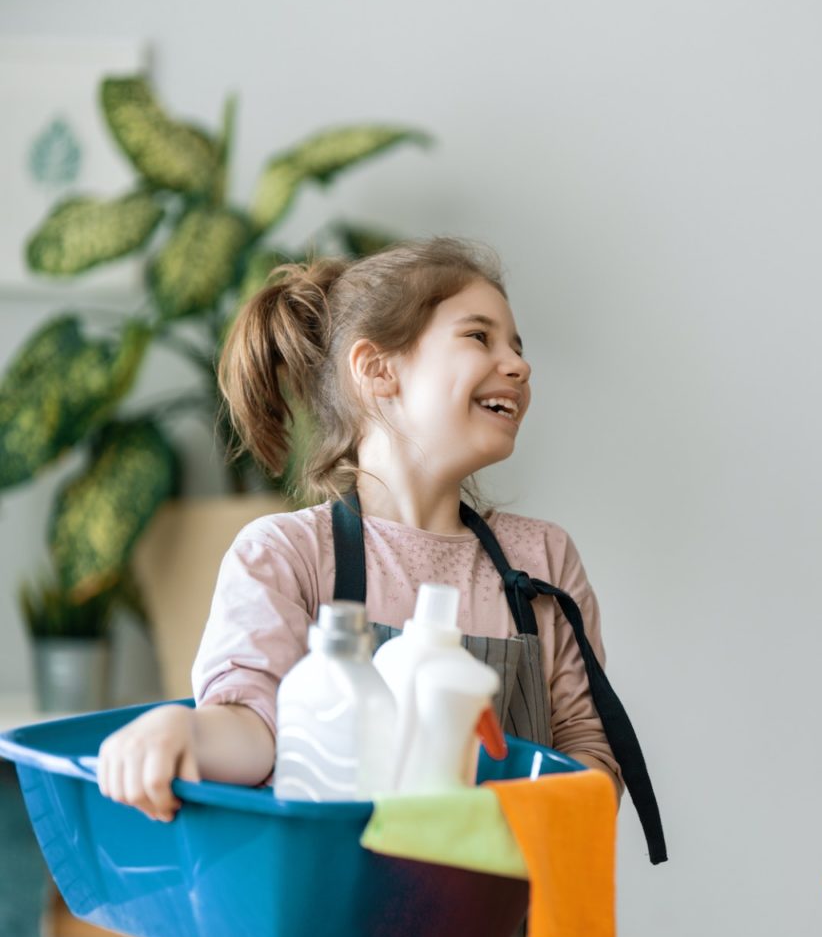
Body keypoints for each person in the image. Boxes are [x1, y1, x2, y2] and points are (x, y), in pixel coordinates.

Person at [95, 238, 664, 867]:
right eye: (480, 337)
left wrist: (519, 820)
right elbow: (255, 729)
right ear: (378, 370)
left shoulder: (542, 558)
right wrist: (183, 732)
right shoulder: (289, 556)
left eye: (519, 347)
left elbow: (588, 749)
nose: (518, 365)